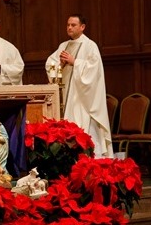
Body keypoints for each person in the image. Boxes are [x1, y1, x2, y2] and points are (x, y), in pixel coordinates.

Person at [45, 14, 113, 158]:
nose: (69, 27)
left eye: (73, 25)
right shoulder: (63, 46)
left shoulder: (90, 45)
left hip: (82, 100)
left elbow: (94, 70)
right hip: (65, 97)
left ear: (82, 27)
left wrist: (75, 61)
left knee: (85, 131)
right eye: (68, 25)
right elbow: (50, 64)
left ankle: (90, 161)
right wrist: (60, 65)